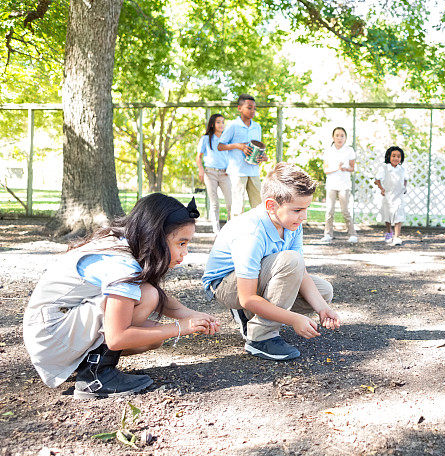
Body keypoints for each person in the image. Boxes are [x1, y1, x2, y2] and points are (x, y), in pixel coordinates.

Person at [23, 194, 221, 399]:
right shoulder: (122, 265)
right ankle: (95, 377)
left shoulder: (125, 242)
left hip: (53, 331)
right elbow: (117, 338)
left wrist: (192, 316)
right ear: (156, 236)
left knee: (152, 337)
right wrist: (182, 327)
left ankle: (89, 363)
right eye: (181, 243)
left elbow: (162, 300)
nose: (185, 252)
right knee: (148, 296)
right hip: (50, 337)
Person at [202, 162, 341, 361]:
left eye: (306, 209)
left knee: (324, 292)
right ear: (271, 206)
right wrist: (293, 319)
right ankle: (260, 337)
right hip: (227, 285)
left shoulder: (291, 224)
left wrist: (322, 309)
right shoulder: (252, 231)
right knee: (291, 261)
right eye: (297, 210)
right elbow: (247, 297)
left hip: (256, 279)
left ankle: (252, 316)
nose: (304, 216)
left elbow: (300, 273)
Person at [217, 94, 266, 216]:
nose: (253, 111)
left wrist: (263, 156)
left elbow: (258, 148)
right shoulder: (233, 126)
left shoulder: (257, 127)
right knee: (237, 208)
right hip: (238, 172)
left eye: (254, 108)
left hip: (254, 171)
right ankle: (234, 234)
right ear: (239, 108)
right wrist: (238, 146)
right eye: (249, 108)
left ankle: (259, 232)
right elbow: (220, 146)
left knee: (260, 206)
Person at [319, 127, 358, 244]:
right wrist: (337, 168)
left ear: (345, 138)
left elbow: (352, 168)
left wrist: (345, 168)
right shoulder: (328, 151)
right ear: (333, 137)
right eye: (337, 135)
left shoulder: (349, 150)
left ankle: (352, 234)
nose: (339, 138)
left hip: (344, 185)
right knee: (329, 211)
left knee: (345, 210)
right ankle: (327, 234)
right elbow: (325, 170)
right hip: (331, 184)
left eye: (342, 136)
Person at [196, 113, 233, 233]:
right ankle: (216, 231)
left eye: (223, 122)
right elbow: (198, 157)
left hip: (225, 173)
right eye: (218, 122)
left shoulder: (227, 139)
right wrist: (201, 170)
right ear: (212, 124)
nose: (221, 124)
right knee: (214, 203)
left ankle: (229, 229)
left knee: (230, 203)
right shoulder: (206, 139)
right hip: (210, 173)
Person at [375, 145, 407, 246]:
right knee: (387, 215)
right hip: (388, 195)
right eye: (393, 156)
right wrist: (382, 189)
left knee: (399, 214)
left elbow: (405, 179)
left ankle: (397, 237)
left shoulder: (402, 169)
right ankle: (389, 232)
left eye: (398, 156)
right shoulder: (385, 168)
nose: (396, 158)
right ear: (389, 156)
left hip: (399, 195)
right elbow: (377, 180)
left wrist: (404, 187)